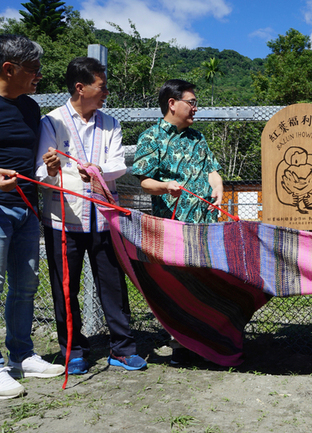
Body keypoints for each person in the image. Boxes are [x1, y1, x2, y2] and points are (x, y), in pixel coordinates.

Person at [36, 57, 147, 375]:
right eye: (102, 86)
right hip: (62, 222)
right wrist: (51, 168)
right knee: (64, 288)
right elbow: (38, 172)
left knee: (113, 285)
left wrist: (99, 171)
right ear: (80, 87)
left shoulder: (111, 123)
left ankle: (122, 349)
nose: (106, 92)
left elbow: (118, 165)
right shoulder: (51, 122)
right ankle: (73, 351)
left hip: (103, 219)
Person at [0, 34, 65, 400]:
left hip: (27, 208)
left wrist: (50, 164)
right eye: (33, 70)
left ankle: (22, 355)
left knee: (26, 286)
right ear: (9, 69)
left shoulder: (29, 107)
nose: (39, 76)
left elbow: (35, 158)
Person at [132, 79, 223, 365]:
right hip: (172, 229)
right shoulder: (151, 138)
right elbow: (144, 182)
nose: (196, 108)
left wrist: (218, 187)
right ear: (172, 103)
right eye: (192, 102)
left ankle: (208, 341)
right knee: (178, 285)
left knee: (206, 281)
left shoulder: (198, 138)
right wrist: (165, 186)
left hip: (204, 226)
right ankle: (180, 346)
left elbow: (212, 171)